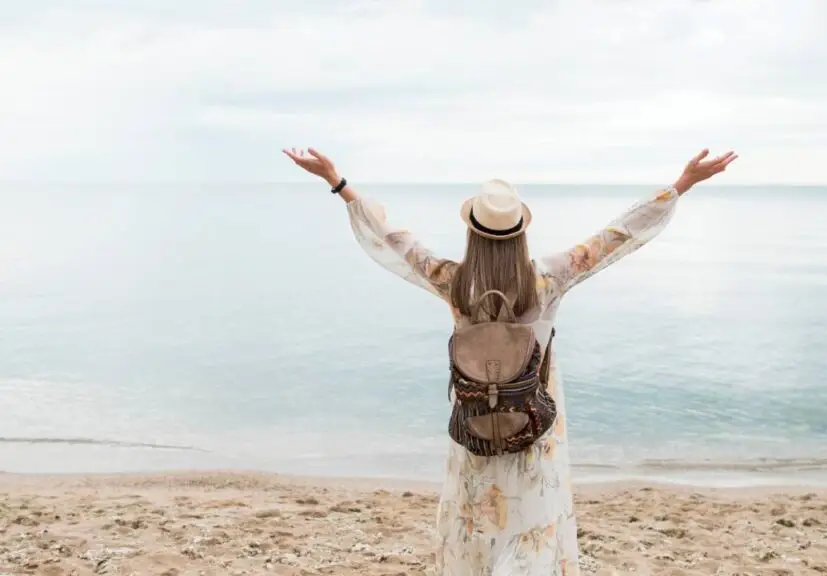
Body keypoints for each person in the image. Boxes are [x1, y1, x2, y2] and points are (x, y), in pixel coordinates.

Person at [282, 146, 738, 575]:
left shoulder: (454, 282)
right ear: (521, 231)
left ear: (472, 234)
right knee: (532, 525)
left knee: (477, 521)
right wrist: (681, 185)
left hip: (477, 424)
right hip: (534, 426)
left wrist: (338, 182)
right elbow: (615, 237)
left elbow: (394, 239)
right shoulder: (546, 279)